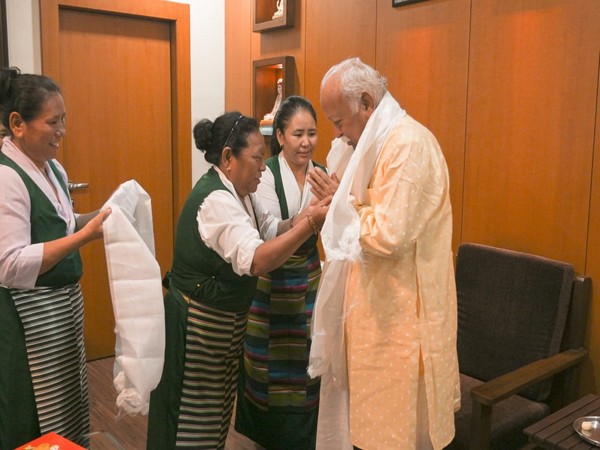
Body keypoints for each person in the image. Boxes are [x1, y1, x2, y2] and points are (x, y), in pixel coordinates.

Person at [146, 111, 330, 450]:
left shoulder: (242, 193)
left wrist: (311, 212)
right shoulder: (216, 199)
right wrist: (312, 224)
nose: (263, 167)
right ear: (229, 158)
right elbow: (258, 260)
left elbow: (274, 230)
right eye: (257, 158)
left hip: (223, 329)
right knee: (189, 420)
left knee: (214, 419)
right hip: (197, 327)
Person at [306, 57, 460, 449]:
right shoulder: (376, 142)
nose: (338, 134)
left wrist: (342, 203)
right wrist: (344, 198)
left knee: (396, 437)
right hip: (375, 317)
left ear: (366, 101)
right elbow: (364, 208)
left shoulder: (408, 145)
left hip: (402, 327)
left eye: (339, 122)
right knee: (365, 433)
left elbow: (390, 233)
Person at [0, 67, 111, 449]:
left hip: (63, 308)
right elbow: (10, 263)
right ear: (17, 124)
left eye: (64, 119)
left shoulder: (53, 169)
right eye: (53, 122)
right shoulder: (7, 177)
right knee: (33, 408)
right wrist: (84, 236)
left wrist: (98, 217)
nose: (62, 130)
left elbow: (60, 226)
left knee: (67, 401)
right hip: (28, 316)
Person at [234, 96, 324, 450]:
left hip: (310, 276)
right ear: (281, 136)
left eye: (312, 133)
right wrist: (310, 217)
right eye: (298, 133)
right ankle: (267, 439)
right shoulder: (266, 172)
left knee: (306, 359)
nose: (306, 142)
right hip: (272, 277)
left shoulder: (323, 172)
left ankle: (305, 439)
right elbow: (270, 229)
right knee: (266, 362)